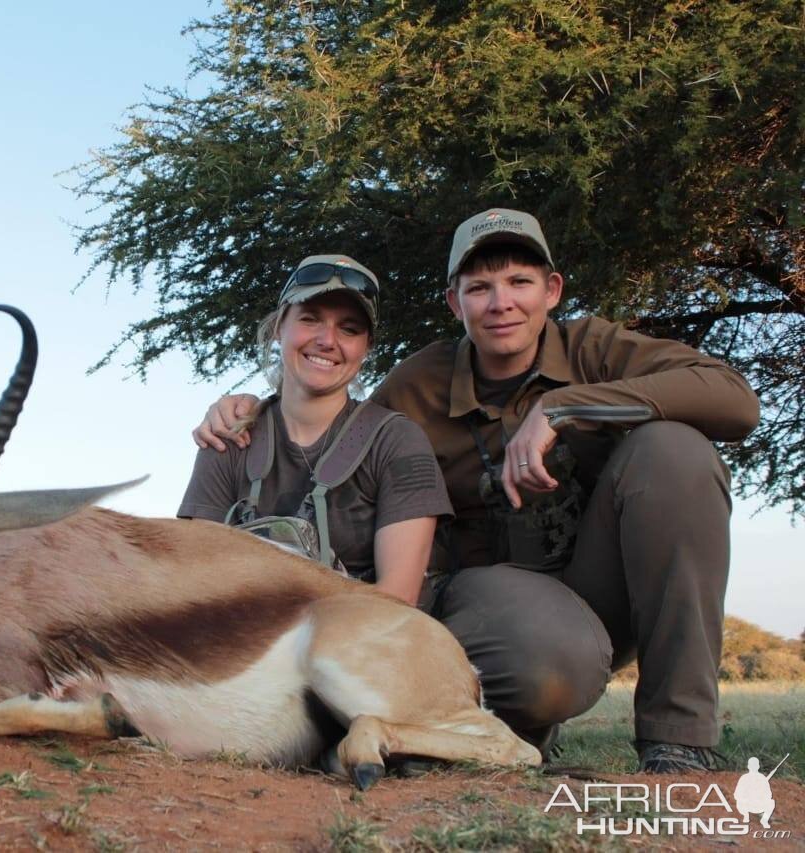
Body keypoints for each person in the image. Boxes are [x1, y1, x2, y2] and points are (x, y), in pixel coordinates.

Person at [193, 211, 760, 773]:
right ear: (453, 302)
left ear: (552, 289)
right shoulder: (417, 385)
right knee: (533, 653)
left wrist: (563, 407)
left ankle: (679, 738)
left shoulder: (595, 348)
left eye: (519, 281)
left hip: (601, 592)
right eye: (479, 287)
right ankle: (503, 715)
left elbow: (734, 401)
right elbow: (332, 418)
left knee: (675, 451)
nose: (500, 303)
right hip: (490, 616)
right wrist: (248, 408)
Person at [178, 254, 452, 603]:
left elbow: (396, 600)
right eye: (310, 319)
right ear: (280, 327)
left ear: (366, 348)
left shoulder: (397, 440)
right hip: (246, 637)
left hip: (365, 640)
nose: (327, 340)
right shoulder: (228, 437)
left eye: (349, 329)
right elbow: (196, 580)